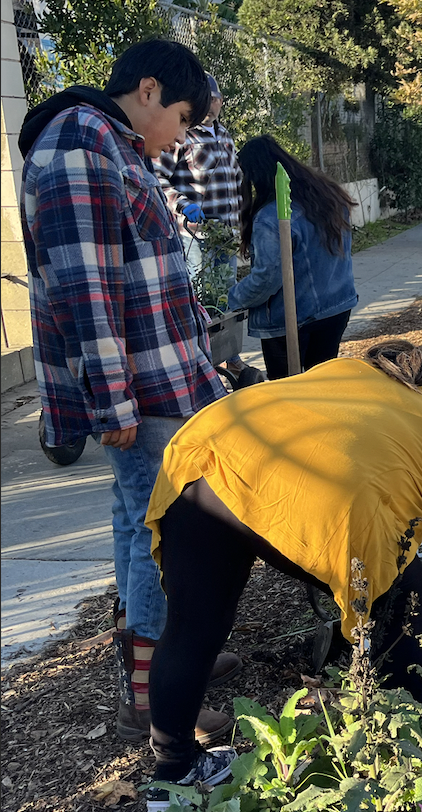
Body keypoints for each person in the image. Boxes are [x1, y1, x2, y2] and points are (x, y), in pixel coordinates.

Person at [142, 341, 422, 799]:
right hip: (290, 491)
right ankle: (415, 753)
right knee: (409, 593)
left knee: (192, 629)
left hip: (202, 451)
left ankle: (172, 778)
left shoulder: (358, 374)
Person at [18, 39, 240, 746]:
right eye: (179, 116)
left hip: (162, 382)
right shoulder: (81, 146)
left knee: (140, 525)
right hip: (141, 395)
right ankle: (155, 699)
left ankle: (163, 662)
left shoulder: (111, 145)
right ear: (148, 91)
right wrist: (111, 401)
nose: (180, 135)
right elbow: (87, 288)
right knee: (158, 537)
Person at [227, 135, 359, 379]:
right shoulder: (327, 196)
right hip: (336, 307)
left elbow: (267, 278)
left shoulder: (271, 218)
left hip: (294, 319)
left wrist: (232, 298)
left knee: (288, 391)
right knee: (321, 382)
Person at [154, 73, 255, 379]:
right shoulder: (183, 136)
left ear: (221, 101)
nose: (211, 105)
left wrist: (243, 222)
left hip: (224, 233)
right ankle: (201, 359)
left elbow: (236, 183)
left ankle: (229, 356)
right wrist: (183, 206)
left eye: (215, 99)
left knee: (223, 295)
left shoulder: (224, 136)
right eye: (206, 100)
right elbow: (159, 180)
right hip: (196, 234)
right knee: (199, 297)